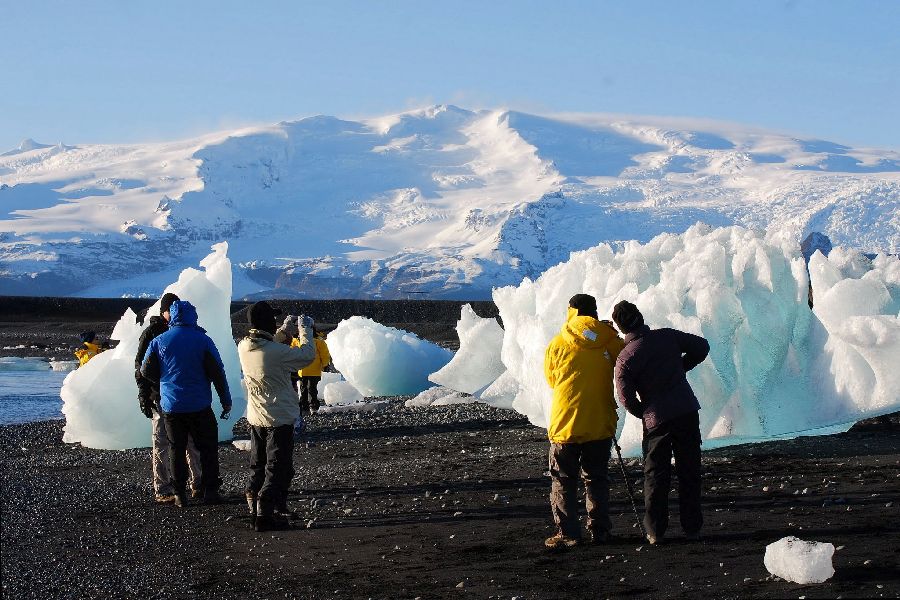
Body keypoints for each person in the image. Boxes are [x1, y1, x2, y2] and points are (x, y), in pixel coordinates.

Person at [612, 300, 710, 545]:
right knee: (689, 470)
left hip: (657, 419)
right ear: (641, 317)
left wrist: (644, 412)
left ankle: (656, 531)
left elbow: (625, 397)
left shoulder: (625, 358)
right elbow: (702, 347)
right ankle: (692, 527)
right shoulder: (667, 336)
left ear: (621, 327)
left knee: (656, 474)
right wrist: (680, 368)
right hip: (686, 410)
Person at [542, 293, 625, 549]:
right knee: (597, 478)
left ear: (571, 311)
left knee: (563, 479)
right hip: (599, 421)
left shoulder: (557, 342)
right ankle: (600, 530)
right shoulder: (609, 340)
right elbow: (625, 362)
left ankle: (568, 533)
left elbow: (551, 379)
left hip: (566, 423)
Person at [140, 300, 233, 507]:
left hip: (172, 406)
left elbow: (145, 370)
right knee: (207, 448)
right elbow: (218, 372)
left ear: (172, 317)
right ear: (193, 316)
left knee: (176, 448)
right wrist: (226, 401)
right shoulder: (203, 340)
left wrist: (165, 381)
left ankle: (180, 493)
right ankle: (209, 491)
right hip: (199, 405)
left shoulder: (159, 340)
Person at [238, 302, 316, 531]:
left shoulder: (244, 346)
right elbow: (306, 356)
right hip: (279, 417)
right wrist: (305, 330)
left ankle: (256, 504)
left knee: (258, 463)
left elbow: (269, 347)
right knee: (278, 466)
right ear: (266, 322)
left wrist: (283, 332)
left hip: (256, 416)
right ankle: (265, 512)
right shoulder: (275, 353)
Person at [134, 292, 203, 503]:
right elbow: (140, 367)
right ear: (163, 311)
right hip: (160, 397)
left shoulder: (187, 331)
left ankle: (197, 484)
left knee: (191, 441)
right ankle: (163, 488)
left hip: (184, 396)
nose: (172, 313)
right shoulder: (152, 333)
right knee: (162, 442)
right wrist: (145, 394)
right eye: (169, 310)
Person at [294, 323, 331, 414]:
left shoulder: (316, 341)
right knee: (308, 389)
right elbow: (324, 354)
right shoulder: (316, 341)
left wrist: (326, 364)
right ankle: (309, 406)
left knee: (308, 388)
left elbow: (324, 354)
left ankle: (308, 406)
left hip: (307, 370)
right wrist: (325, 364)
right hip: (307, 370)